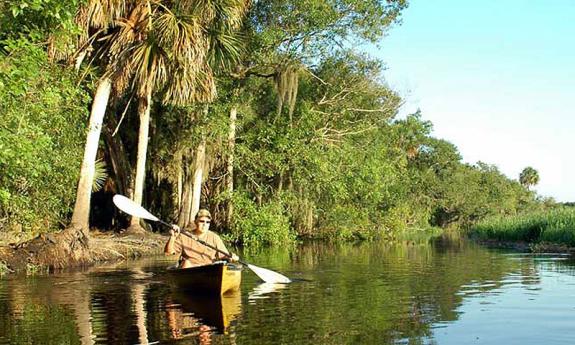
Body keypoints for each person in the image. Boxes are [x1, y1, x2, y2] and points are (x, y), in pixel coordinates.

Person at [164, 209, 238, 268]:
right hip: (189, 269)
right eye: (202, 221)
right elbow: (168, 253)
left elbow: (225, 256)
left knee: (221, 266)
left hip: (208, 269)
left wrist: (231, 257)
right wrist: (173, 237)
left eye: (207, 222)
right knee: (187, 263)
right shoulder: (184, 236)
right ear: (196, 222)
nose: (204, 224)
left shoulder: (215, 237)